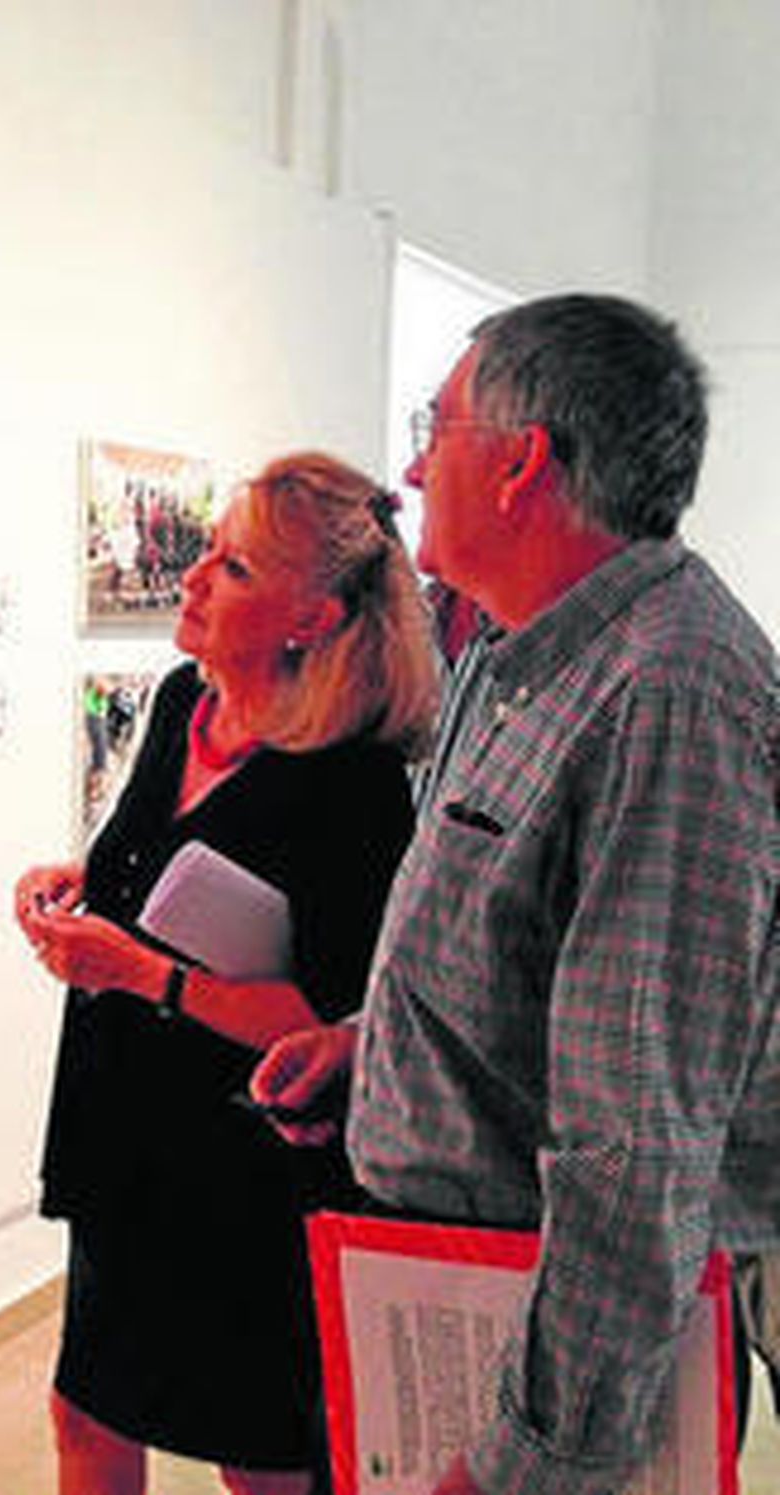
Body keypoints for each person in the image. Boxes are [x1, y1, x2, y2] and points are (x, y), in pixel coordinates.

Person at [251, 294, 780, 1495]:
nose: (408, 466)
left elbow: (636, 1138)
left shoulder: (669, 696)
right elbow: (520, 966)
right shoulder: (512, 653)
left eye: (432, 428)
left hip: (551, 1358)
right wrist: (374, 1050)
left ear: (520, 461)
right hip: (456, 1288)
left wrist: (530, 1463)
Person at [16, 452, 440, 1495]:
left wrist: (143, 974)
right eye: (206, 551)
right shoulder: (179, 704)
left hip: (243, 1172)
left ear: (312, 617)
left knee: (255, 1456)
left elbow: (335, 1022)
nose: (194, 579)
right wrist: (85, 875)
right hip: (122, 1135)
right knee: (87, 1411)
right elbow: (155, 857)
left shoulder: (350, 780)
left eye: (235, 568)